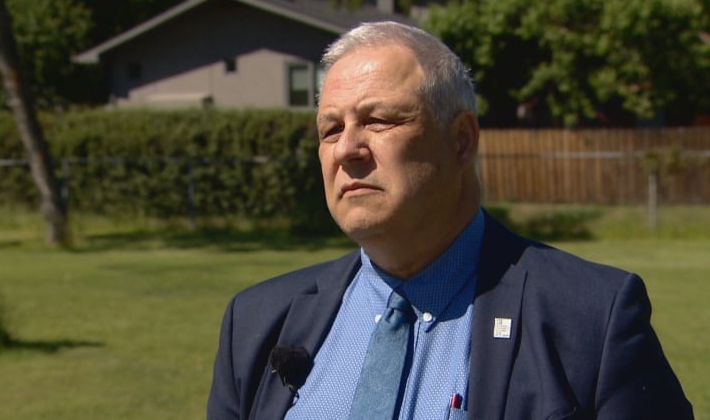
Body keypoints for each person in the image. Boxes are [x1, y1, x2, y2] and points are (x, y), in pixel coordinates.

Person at [207, 21, 692, 419]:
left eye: (379, 120)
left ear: (461, 139)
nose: (348, 150)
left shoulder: (589, 319)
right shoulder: (257, 322)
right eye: (330, 129)